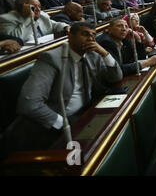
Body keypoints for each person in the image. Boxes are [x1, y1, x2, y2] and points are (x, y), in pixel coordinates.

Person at [4, 22, 123, 153]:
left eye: (93, 35)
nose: (90, 38)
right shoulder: (52, 58)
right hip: (53, 125)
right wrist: (64, 125)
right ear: (70, 36)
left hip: (85, 114)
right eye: (85, 34)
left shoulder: (93, 55)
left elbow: (115, 77)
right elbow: (29, 103)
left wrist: (104, 53)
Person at [0, 0, 69, 43]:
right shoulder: (6, 19)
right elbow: (18, 38)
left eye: (39, 6)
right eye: (34, 7)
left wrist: (66, 27)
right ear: (22, 7)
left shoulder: (42, 15)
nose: (38, 9)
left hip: (46, 46)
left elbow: (54, 24)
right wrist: (30, 18)